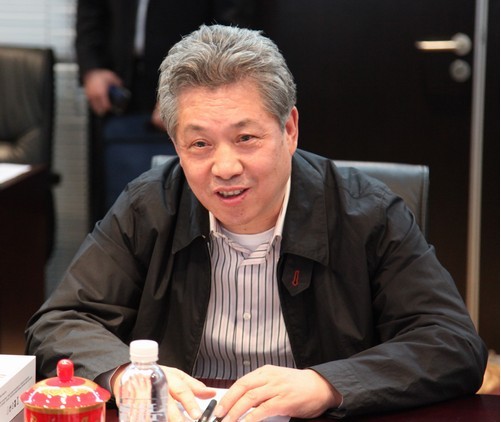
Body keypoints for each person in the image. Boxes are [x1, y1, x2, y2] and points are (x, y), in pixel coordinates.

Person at [26, 25, 487, 420]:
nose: (225, 168)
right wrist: (129, 374)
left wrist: (328, 384)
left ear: (289, 129)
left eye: (246, 138)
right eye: (199, 144)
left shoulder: (367, 213)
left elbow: (452, 343)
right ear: (175, 144)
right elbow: (59, 323)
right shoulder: (149, 206)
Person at [76, 0, 256, 221]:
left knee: (185, 209)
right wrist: (92, 67)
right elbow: (91, 10)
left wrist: (186, 90)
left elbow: (231, 27)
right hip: (117, 89)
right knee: (118, 208)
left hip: (197, 90)